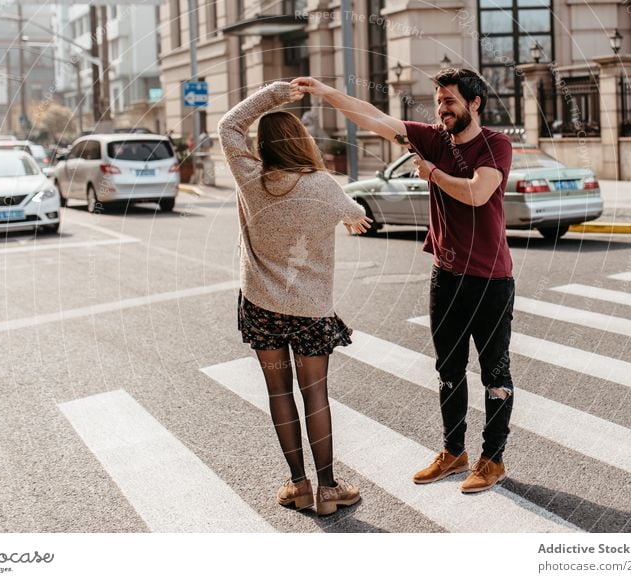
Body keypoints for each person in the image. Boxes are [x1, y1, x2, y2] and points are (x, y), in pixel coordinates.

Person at [292, 68, 515, 494]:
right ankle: (454, 453)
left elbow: (476, 192)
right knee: (448, 370)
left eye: (449, 101)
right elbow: (372, 116)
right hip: (445, 276)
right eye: (439, 102)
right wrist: (324, 92)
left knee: (495, 374)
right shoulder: (434, 137)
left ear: (474, 103)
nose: (442, 109)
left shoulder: (496, 144)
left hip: (490, 279)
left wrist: (431, 174)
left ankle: (493, 460)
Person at [217, 81, 372, 515]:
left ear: (262, 146)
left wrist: (273, 94)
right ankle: (328, 490)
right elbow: (359, 215)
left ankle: (298, 485)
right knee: (315, 394)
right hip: (311, 311)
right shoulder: (323, 185)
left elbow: (229, 126)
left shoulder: (251, 179)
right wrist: (346, 216)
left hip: (262, 305)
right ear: (302, 142)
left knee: (279, 393)